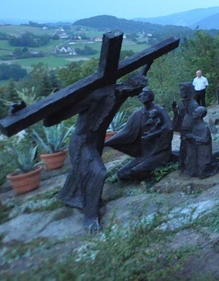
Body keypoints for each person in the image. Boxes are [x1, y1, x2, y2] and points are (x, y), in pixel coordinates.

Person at [51, 74, 149, 232]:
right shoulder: (98, 95)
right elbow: (60, 115)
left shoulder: (121, 93)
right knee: (98, 173)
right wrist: (28, 113)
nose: (139, 94)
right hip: (82, 141)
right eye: (139, 90)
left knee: (82, 171)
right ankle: (90, 216)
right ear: (133, 86)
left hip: (96, 139)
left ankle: (69, 196)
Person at [105, 88, 173, 182]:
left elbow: (169, 127)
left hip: (159, 151)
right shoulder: (137, 114)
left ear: (151, 96)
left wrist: (152, 136)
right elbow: (125, 132)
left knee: (136, 171)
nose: (141, 96)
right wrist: (107, 142)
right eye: (139, 95)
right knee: (122, 173)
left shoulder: (159, 110)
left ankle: (152, 178)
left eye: (144, 94)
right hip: (145, 153)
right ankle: (144, 174)